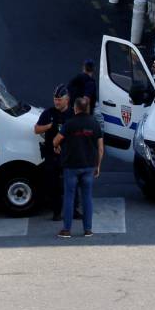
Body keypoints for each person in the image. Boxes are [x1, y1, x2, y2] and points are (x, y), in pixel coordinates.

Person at [53, 97, 104, 238]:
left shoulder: (69, 124)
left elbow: (56, 140)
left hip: (71, 166)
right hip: (89, 166)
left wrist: (57, 146)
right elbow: (100, 148)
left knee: (69, 197)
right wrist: (98, 166)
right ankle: (88, 230)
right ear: (87, 108)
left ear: (75, 108)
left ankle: (67, 230)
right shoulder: (95, 124)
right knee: (87, 198)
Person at [34, 85, 73, 221]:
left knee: (72, 183)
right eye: (55, 99)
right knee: (53, 185)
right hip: (52, 155)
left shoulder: (72, 113)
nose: (56, 102)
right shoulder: (48, 113)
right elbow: (37, 129)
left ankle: (74, 210)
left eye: (59, 100)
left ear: (67, 100)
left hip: (69, 154)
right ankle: (56, 212)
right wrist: (50, 126)